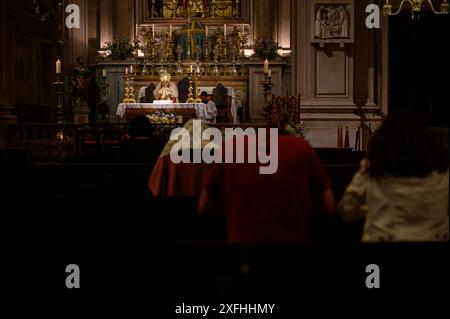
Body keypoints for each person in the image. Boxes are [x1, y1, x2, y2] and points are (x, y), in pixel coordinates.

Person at [198, 127, 336, 242]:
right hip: (293, 255)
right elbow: (328, 206)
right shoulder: (302, 148)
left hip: (242, 253)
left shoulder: (231, 147)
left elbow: (204, 207)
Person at [338, 109, 449, 242]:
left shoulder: (373, 170)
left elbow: (347, 210)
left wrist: (372, 207)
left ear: (383, 139)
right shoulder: (442, 173)